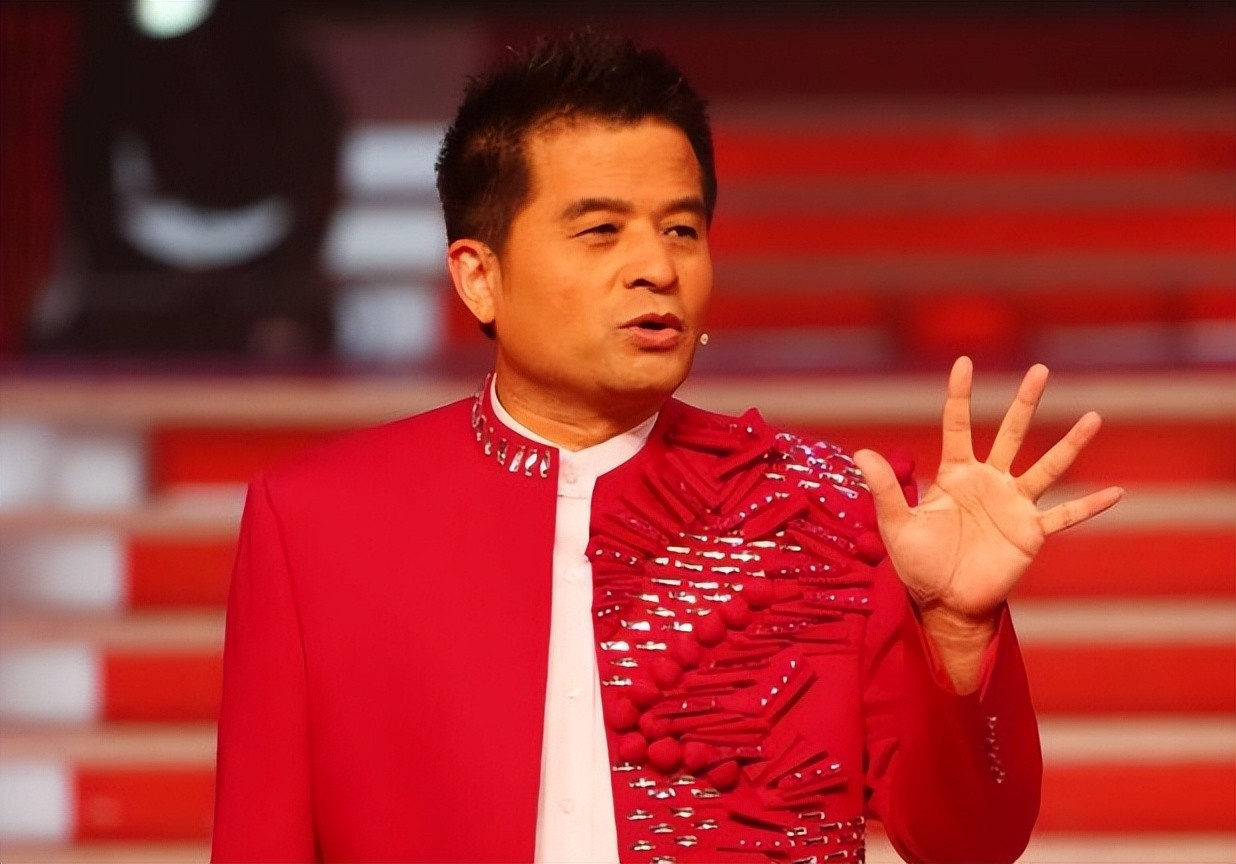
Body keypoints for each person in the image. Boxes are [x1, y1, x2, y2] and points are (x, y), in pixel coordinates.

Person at [211, 29, 1122, 864]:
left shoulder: (822, 507)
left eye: (682, 229)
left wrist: (957, 634)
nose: (657, 268)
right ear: (479, 277)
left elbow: (970, 843)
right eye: (601, 231)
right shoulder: (318, 522)